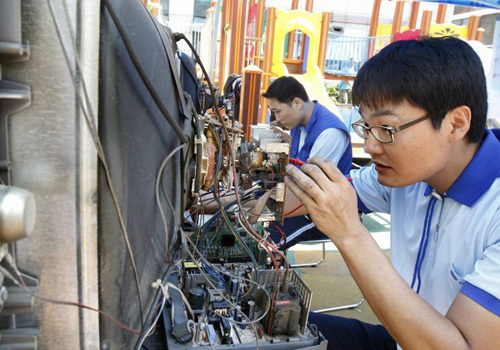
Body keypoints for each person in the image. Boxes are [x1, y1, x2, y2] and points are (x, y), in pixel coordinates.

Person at [284, 36, 500, 349]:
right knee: (274, 329)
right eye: (367, 128)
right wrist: (229, 195)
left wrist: (350, 234)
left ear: (456, 124)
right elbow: (315, 194)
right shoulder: (411, 175)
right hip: (403, 340)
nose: (371, 146)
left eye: (387, 129)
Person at [261, 76, 352, 248]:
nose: (276, 118)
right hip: (296, 198)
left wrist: (256, 206)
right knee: (244, 214)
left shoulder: (330, 132)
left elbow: (309, 190)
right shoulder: (298, 124)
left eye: (278, 111)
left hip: (320, 212)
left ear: (297, 103)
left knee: (261, 241)